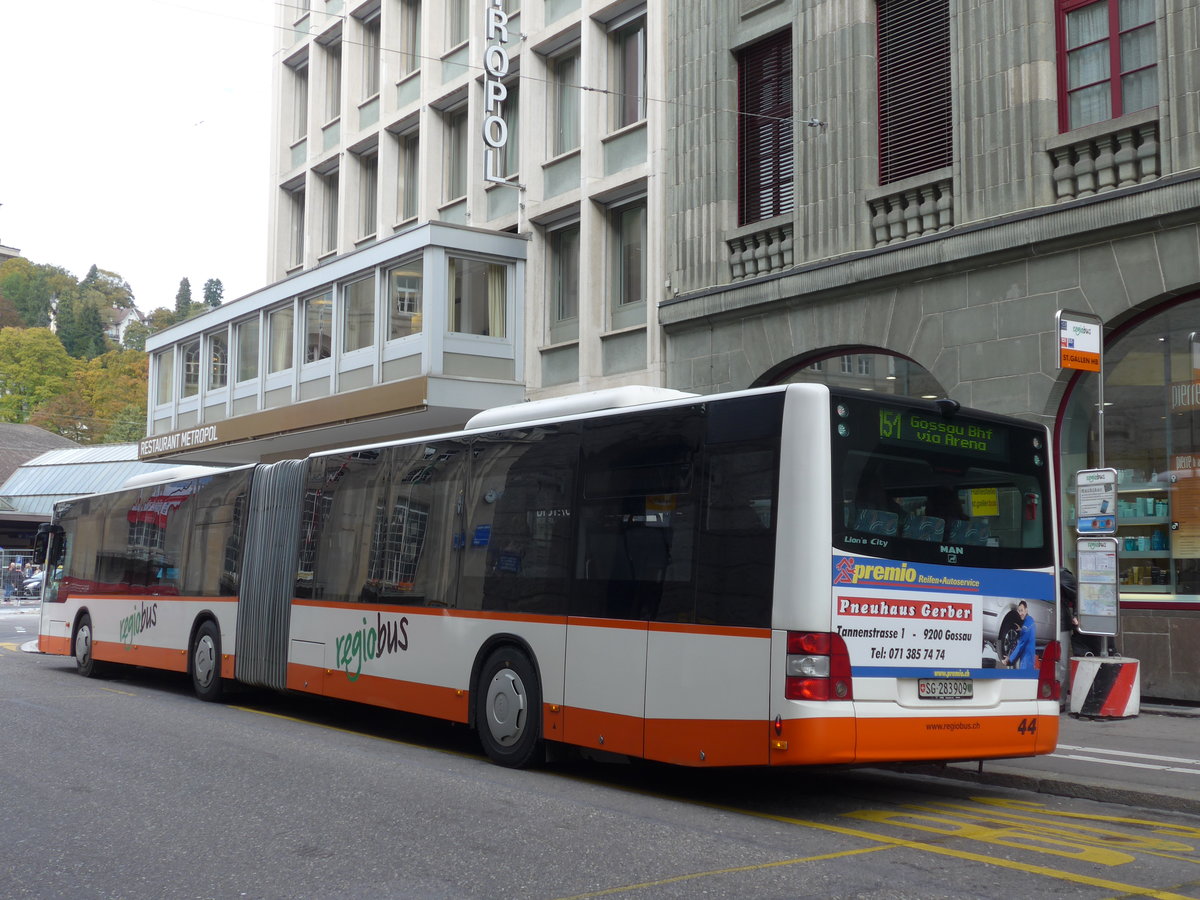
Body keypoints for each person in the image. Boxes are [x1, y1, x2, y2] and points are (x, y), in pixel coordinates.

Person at [1006, 600, 1037, 669]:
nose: (1020, 613)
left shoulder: (1026, 624)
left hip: (1026, 660)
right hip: (1028, 657)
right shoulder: (1030, 620)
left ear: (1026, 610)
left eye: (1022, 610)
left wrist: (1010, 660)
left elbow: (1021, 644)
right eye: (1019, 611)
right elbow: (1028, 634)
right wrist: (1021, 629)